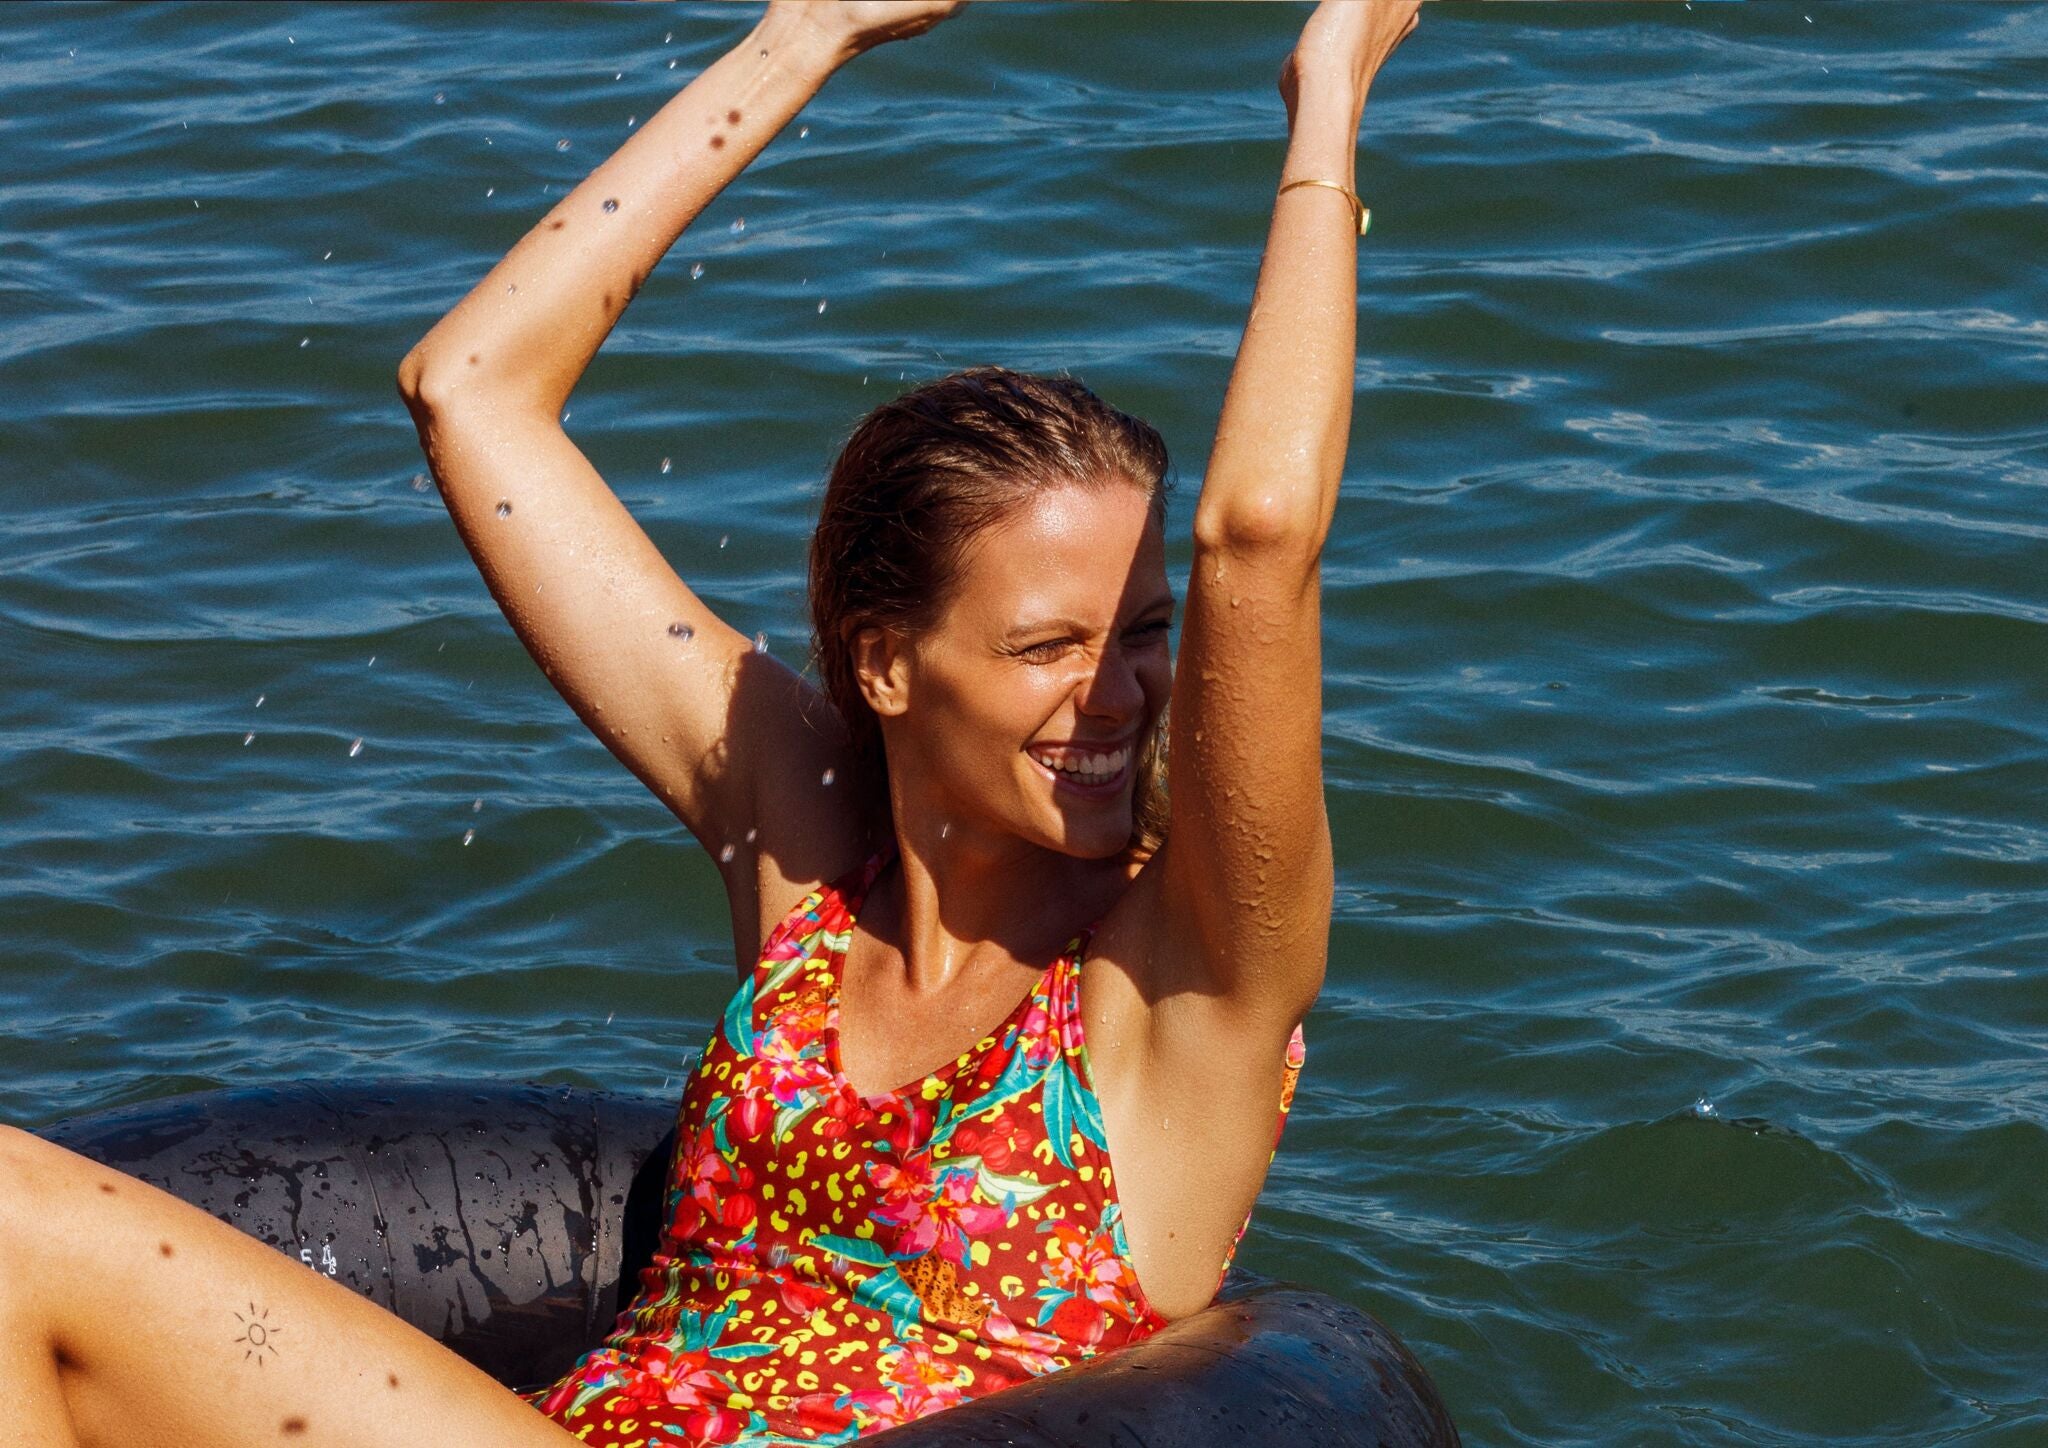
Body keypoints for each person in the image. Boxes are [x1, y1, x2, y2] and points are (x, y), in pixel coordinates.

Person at [0, 0, 1420, 1443]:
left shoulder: (1182, 975)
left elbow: (1257, 539)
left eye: (1144, 635)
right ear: (886, 667)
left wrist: (1328, 102)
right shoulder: (814, 861)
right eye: (1048, 646)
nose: (1116, 696)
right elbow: (471, 391)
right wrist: (807, 35)